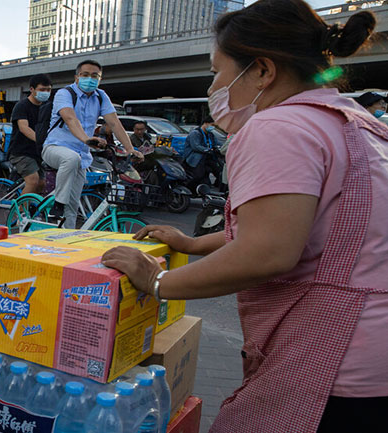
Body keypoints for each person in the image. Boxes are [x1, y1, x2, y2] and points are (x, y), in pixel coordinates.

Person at [100, 2, 387, 432]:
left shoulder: (279, 126)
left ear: (262, 71)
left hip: (333, 362)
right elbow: (312, 226)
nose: (215, 84)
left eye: (219, 70)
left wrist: (158, 282)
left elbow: (268, 251)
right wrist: (195, 244)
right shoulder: (359, 123)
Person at [42, 59, 143, 228]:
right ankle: (57, 204)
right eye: (85, 75)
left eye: (94, 76)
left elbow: (114, 123)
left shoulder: (101, 96)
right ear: (77, 77)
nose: (90, 79)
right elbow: (70, 118)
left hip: (81, 156)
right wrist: (86, 139)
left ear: (100, 79)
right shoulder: (64, 94)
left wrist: (130, 149)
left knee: (73, 205)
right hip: (54, 148)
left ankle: (66, 238)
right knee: (71, 159)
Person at [9, 73, 52, 194]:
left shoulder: (47, 107)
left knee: (42, 184)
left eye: (48, 90)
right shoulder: (22, 106)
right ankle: (20, 212)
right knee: (33, 180)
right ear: (32, 89)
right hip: (21, 152)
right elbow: (24, 128)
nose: (46, 92)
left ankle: (31, 209)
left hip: (38, 152)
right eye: (42, 90)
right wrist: (42, 141)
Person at [182, 115, 221, 190]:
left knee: (219, 172)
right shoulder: (195, 133)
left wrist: (219, 148)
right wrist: (208, 150)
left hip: (208, 158)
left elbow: (217, 143)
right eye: (212, 125)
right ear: (205, 123)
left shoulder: (210, 135)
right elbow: (196, 146)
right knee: (198, 176)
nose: (213, 127)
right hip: (196, 159)